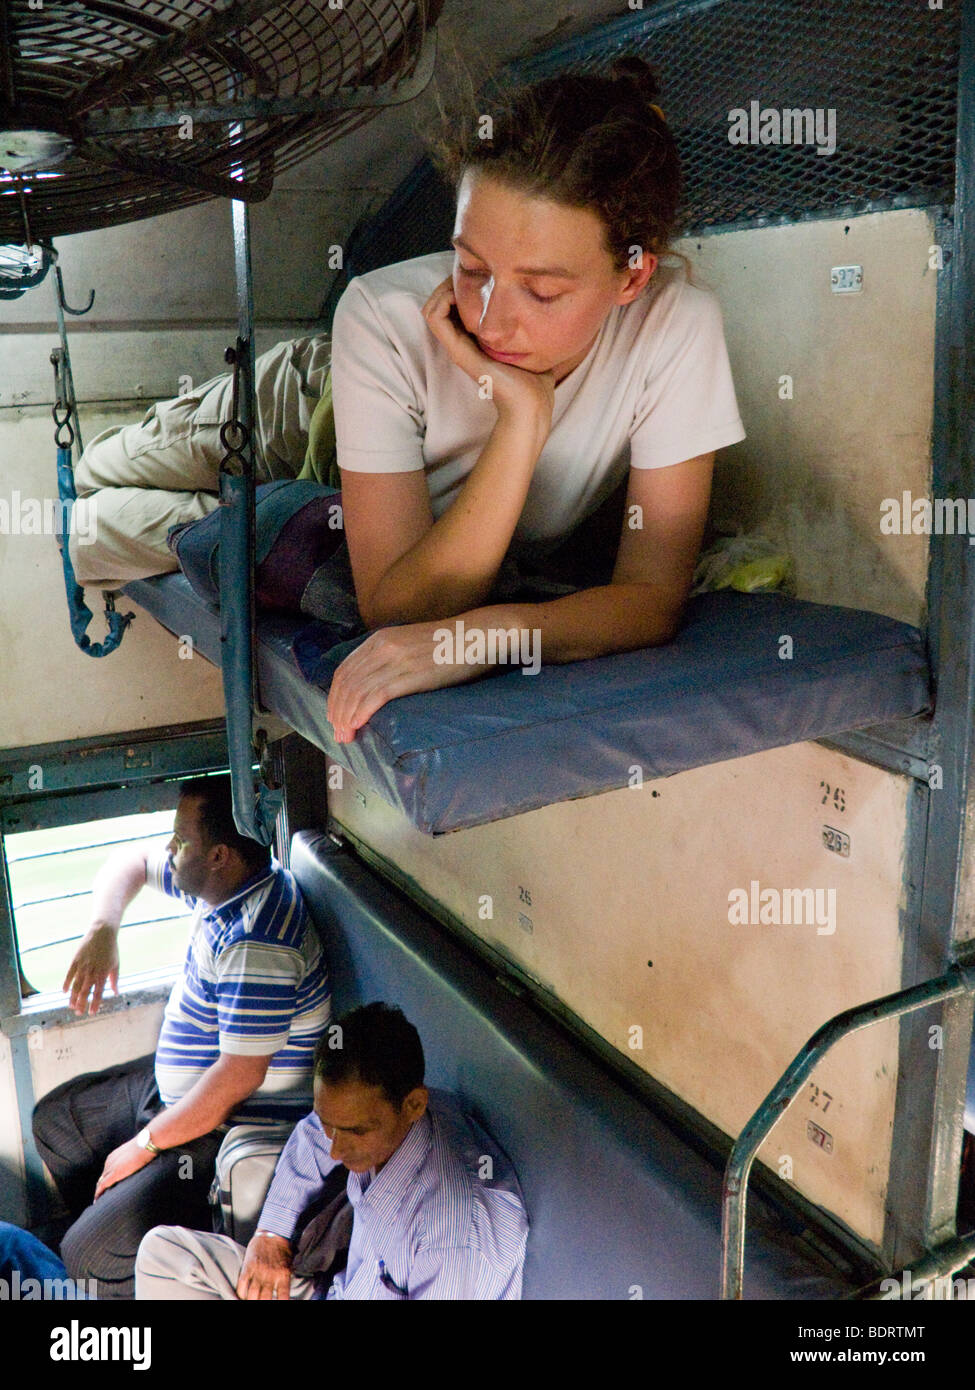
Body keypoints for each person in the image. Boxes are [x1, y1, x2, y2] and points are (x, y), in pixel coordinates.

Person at [70, 57, 745, 745]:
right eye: (471, 267)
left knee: (89, 537)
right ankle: (92, 471)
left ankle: (111, 513)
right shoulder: (379, 313)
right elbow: (402, 606)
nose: (488, 318)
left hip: (327, 501)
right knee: (100, 466)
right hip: (305, 405)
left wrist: (521, 424)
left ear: (632, 276)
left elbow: (647, 600)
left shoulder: (677, 327)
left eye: (541, 292)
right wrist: (521, 415)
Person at [31, 775, 331, 1301]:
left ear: (218, 856)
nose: (169, 849)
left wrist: (143, 1146)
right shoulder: (218, 882)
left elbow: (237, 1078)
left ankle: (107, 1266)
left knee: (88, 1255)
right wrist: (104, 929)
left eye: (180, 840)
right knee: (57, 1123)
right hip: (177, 1093)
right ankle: (107, 1229)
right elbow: (128, 865)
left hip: (220, 1127)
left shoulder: (258, 940)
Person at [134, 1002, 528, 1300]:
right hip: (337, 1287)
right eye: (329, 1124)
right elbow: (312, 1136)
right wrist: (272, 1234)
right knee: (164, 1253)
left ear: (413, 1105)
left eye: (354, 1131)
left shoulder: (455, 1233)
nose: (336, 1149)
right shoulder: (390, 1114)